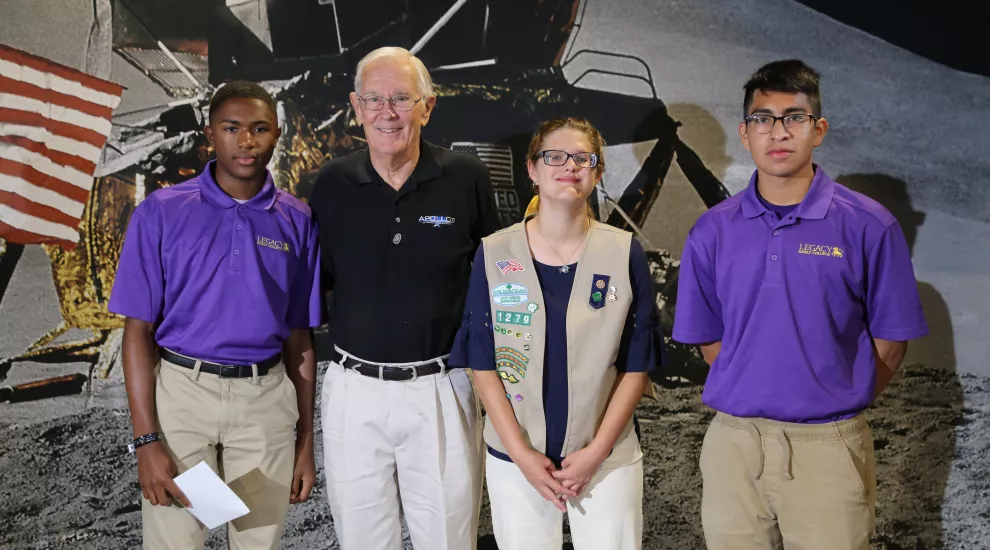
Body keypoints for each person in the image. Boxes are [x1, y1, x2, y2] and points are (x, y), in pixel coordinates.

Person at [672, 59, 929, 549]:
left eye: (794, 117)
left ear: (819, 130)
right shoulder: (713, 230)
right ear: (746, 134)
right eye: (763, 119)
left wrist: (830, 399)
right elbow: (709, 338)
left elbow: (891, 345)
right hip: (734, 447)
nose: (778, 131)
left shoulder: (869, 226)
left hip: (827, 449)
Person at [109, 81, 324, 549]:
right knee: (175, 542)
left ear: (277, 134)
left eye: (259, 129)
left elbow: (300, 340)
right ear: (210, 134)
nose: (245, 141)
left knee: (255, 543)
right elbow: (137, 332)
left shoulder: (296, 219)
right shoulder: (161, 213)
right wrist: (147, 441)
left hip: (264, 405)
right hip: (184, 399)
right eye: (231, 128)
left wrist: (305, 443)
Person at [307, 46, 501, 550]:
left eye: (400, 99)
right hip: (353, 391)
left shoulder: (466, 179)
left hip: (440, 388)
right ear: (355, 106)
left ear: (427, 106)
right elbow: (315, 285)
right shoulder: (330, 185)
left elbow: (497, 282)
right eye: (374, 99)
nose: (386, 113)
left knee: (448, 538)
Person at [449, 117, 663, 550]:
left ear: (598, 171)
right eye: (555, 156)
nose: (570, 166)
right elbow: (483, 364)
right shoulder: (494, 253)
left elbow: (636, 366)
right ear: (532, 169)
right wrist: (523, 455)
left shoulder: (623, 252)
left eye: (583, 158)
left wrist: (596, 452)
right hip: (517, 457)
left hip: (606, 460)